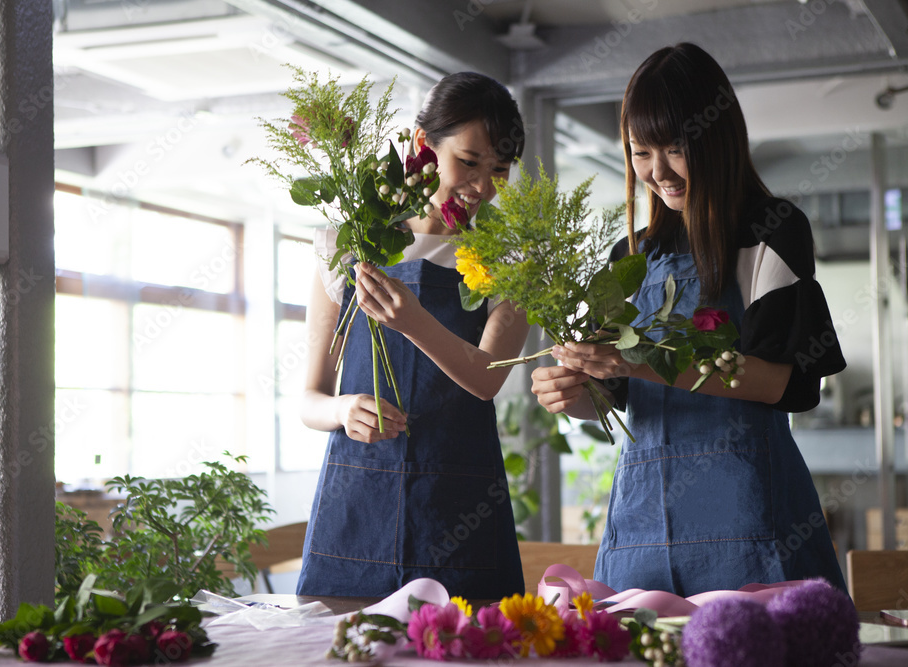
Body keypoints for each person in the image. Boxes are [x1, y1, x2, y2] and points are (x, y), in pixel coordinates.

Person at [531, 43, 847, 596]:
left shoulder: (771, 231)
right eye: (640, 152)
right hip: (642, 525)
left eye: (676, 149)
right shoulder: (630, 257)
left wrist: (641, 363)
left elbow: (787, 383)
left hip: (753, 522)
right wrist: (571, 392)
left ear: (715, 137)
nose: (657, 172)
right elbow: (612, 396)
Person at [296, 72, 530, 599]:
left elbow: (487, 378)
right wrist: (342, 410)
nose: (484, 187)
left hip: (460, 505)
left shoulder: (510, 257)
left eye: (500, 169)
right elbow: (309, 399)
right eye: (469, 162)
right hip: (356, 505)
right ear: (424, 144)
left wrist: (413, 321)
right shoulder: (347, 241)